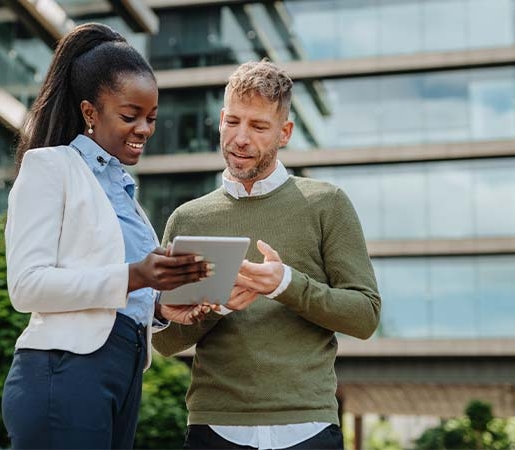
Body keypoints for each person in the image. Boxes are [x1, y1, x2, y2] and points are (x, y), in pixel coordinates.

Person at [2, 23, 214, 449]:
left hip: (123, 374)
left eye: (151, 118)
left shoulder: (124, 193)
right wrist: (136, 275)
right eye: (129, 115)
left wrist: (163, 306)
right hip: (65, 373)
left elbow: (121, 292)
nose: (144, 129)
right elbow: (26, 287)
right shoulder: (51, 167)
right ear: (89, 112)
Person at [152, 60, 382, 450]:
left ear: (284, 132)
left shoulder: (327, 204)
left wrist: (286, 285)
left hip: (307, 427)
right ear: (221, 120)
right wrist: (218, 306)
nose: (241, 138)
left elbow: (364, 316)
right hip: (213, 428)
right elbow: (166, 341)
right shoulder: (187, 219)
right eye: (233, 122)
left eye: (258, 127)